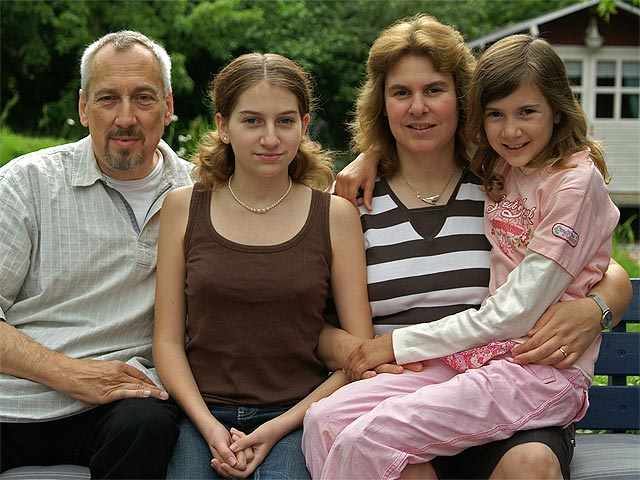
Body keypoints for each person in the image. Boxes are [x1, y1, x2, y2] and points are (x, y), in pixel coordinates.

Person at [302, 16, 632, 480]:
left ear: (461, 100)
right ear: (383, 105)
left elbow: (593, 264)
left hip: (521, 366)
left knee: (368, 438)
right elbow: (317, 322)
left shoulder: (494, 173)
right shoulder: (357, 200)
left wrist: (599, 305)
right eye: (401, 94)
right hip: (444, 368)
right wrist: (372, 153)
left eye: (434, 90)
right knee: (327, 421)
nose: (418, 107)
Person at [153, 52, 373, 480]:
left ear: (305, 126)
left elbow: (359, 354)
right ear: (222, 126)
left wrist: (277, 428)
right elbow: (166, 342)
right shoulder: (183, 208)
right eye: (252, 121)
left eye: (285, 122)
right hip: (202, 415)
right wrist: (209, 427)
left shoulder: (335, 216)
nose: (270, 138)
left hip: (299, 415)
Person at [0, 31, 195, 478]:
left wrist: (369, 157)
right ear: (84, 108)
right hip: (13, 397)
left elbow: (288, 193)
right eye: (108, 99)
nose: (126, 117)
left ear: (167, 107)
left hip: (119, 408)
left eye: (143, 98)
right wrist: (65, 372)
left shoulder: (202, 193)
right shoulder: (26, 184)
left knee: (147, 423)